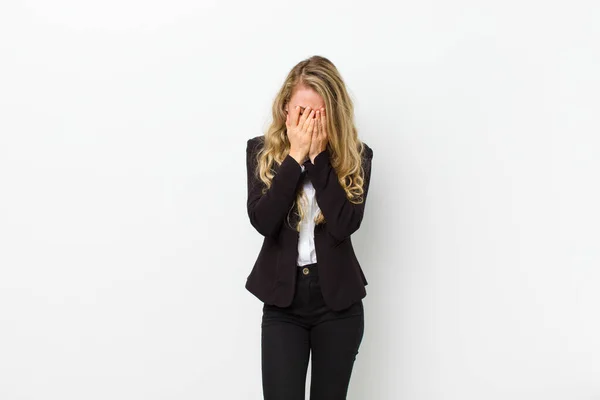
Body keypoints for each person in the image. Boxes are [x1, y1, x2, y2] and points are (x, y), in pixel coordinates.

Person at [245, 55, 374, 400]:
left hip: (338, 306)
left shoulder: (357, 157)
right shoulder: (261, 151)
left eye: (317, 115)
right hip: (283, 304)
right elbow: (264, 221)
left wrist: (317, 162)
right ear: (286, 108)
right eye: (301, 112)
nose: (307, 123)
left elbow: (345, 224)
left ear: (334, 115)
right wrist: (294, 159)